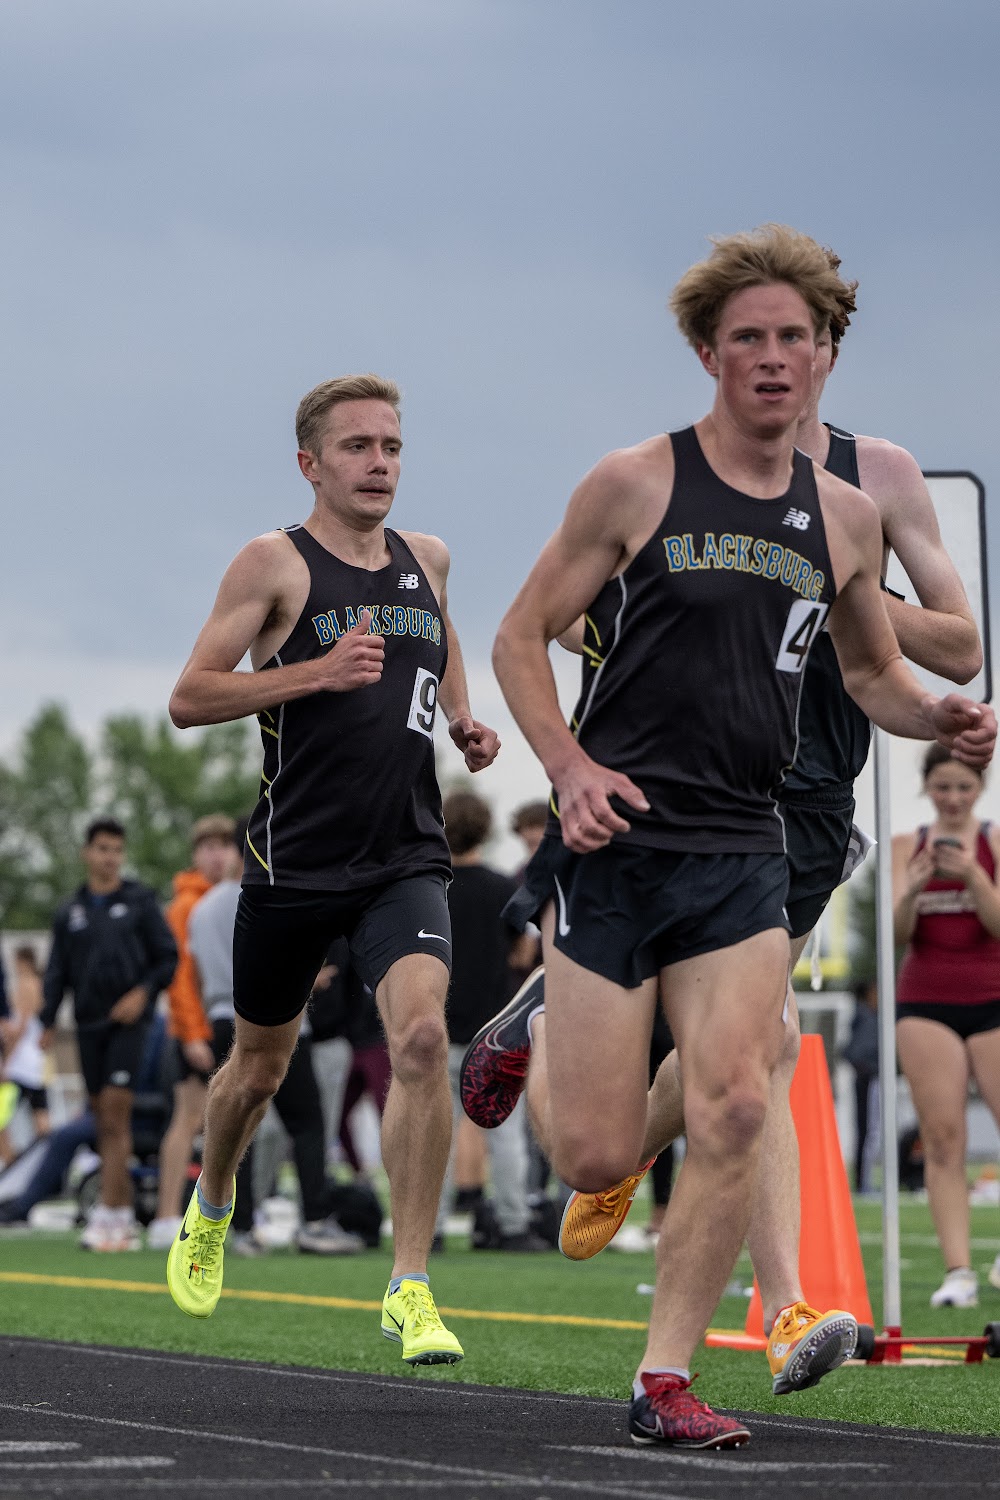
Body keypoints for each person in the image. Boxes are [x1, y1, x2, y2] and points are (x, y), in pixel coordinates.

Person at [469, 225, 995, 1448]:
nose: (771, 357)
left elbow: (872, 675)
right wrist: (569, 766)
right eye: (747, 338)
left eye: (791, 338)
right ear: (707, 353)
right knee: (595, 1149)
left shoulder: (848, 516)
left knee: (741, 1098)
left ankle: (663, 1379)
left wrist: (939, 717)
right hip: (620, 840)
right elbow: (517, 635)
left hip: (745, 845)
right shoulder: (633, 482)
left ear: (822, 356)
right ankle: (532, 1037)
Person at [165, 373, 499, 1364]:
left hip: (404, 854)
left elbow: (440, 643)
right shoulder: (273, 563)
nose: (379, 464)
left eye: (391, 446)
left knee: (425, 1039)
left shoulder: (427, 559)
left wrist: (465, 718)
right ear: (310, 463)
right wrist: (315, 672)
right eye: (358, 447)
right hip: (295, 863)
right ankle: (212, 1201)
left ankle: (410, 1284)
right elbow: (189, 697)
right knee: (257, 1071)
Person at [892, 744, 1000, 1307]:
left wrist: (975, 878)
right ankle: (958, 1272)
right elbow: (895, 936)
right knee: (942, 1138)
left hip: (993, 997)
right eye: (942, 787)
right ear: (927, 788)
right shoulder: (906, 845)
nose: (953, 798)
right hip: (925, 1002)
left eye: (963, 787)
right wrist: (912, 888)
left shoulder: (994, 841)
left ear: (979, 788)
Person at [40, 817, 177, 1250]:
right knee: (101, 1118)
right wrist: (46, 1021)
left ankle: (116, 1216)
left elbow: (168, 958)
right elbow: (57, 971)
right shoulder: (71, 911)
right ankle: (114, 1210)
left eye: (117, 850)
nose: (110, 857)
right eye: (103, 849)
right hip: (87, 1026)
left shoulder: (140, 901)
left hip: (129, 1026)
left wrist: (142, 993)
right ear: (87, 852)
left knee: (117, 1116)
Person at [436, 789, 546, 1251]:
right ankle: (513, 1223)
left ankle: (429, 1228)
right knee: (505, 1134)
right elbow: (524, 952)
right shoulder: (505, 889)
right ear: (485, 831)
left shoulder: (431, 888)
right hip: (495, 1032)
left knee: (433, 1134)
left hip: (438, 1027)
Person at [147, 814, 237, 1248]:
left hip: (220, 1025)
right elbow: (182, 977)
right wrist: (192, 1034)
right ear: (195, 854)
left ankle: (211, 1212)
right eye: (208, 847)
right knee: (187, 1120)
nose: (217, 855)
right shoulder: (187, 905)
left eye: (224, 846)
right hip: (195, 1031)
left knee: (217, 1122)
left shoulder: (227, 898)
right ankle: (166, 1215)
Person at [0, 945, 50, 1165]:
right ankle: (45, 1162)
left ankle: (12, 1163)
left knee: (1, 1116)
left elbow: (19, 1028)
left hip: (20, 1064)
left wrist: (6, 1061)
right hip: (37, 1061)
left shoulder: (25, 984)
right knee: (41, 1113)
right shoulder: (41, 984)